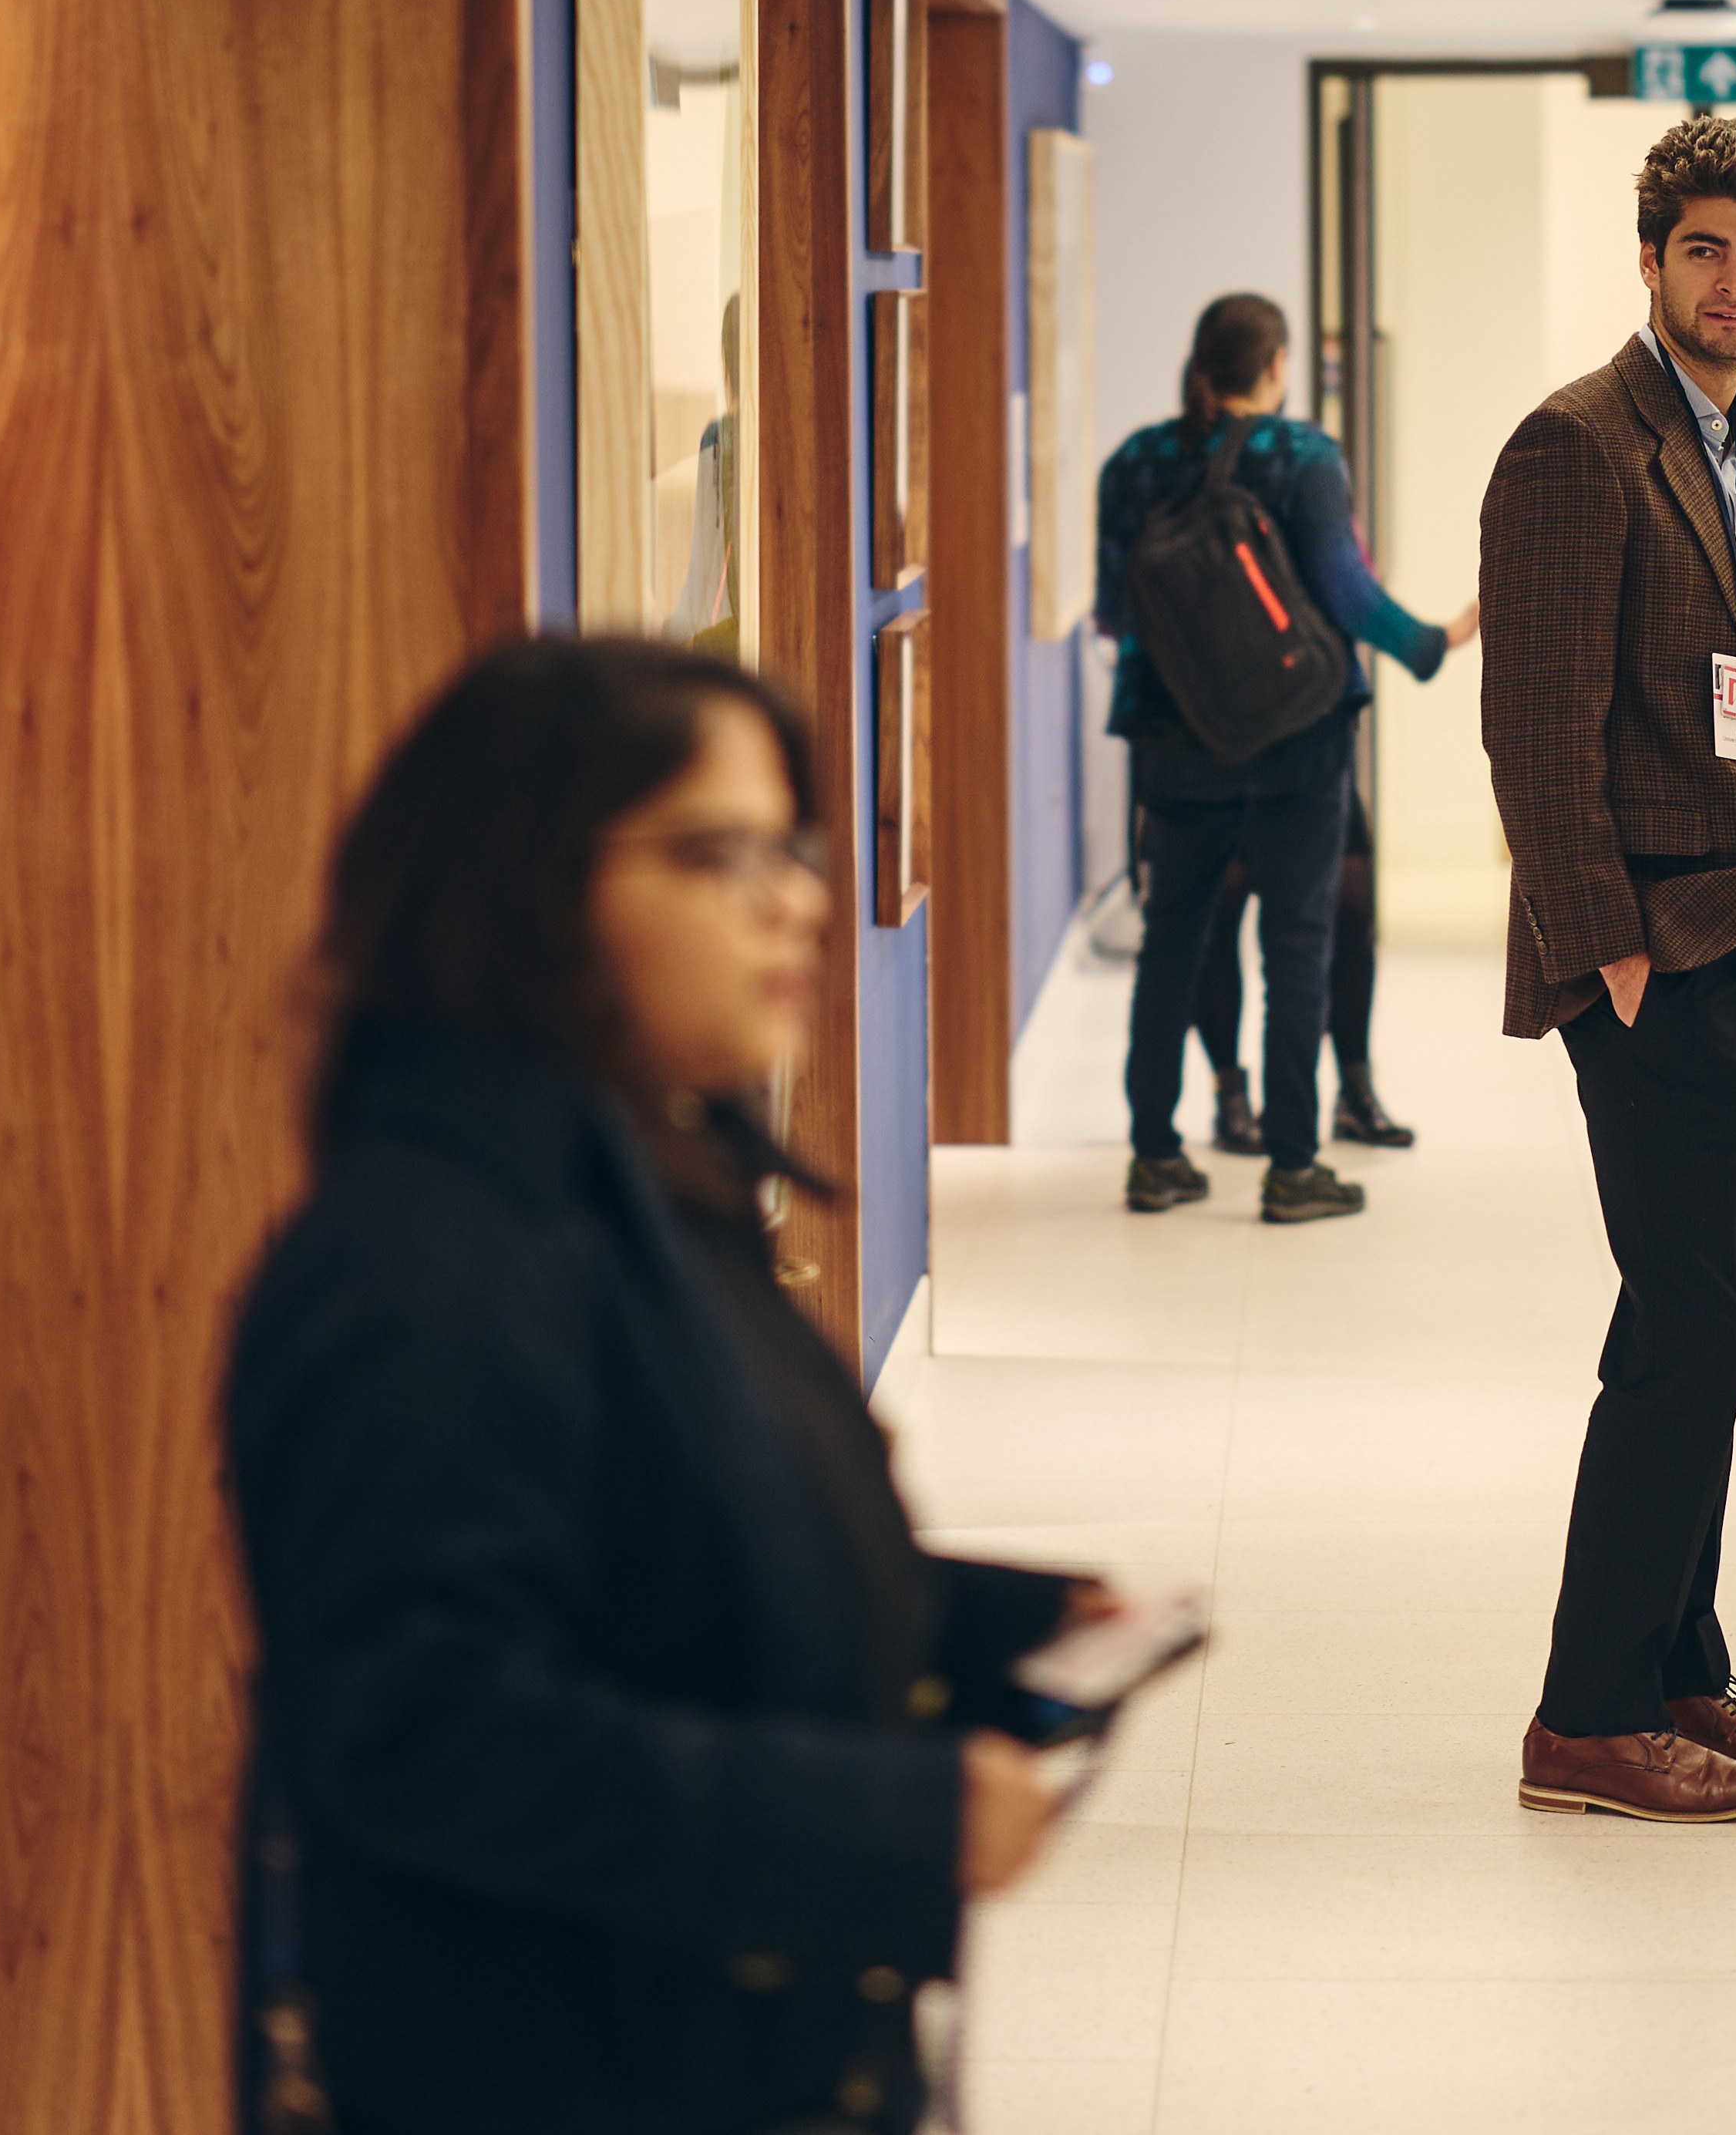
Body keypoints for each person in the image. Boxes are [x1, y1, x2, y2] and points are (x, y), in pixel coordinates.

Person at [227, 636, 1101, 2135]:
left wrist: (977, 1616)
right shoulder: (421, 1264)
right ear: (527, 887)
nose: (798, 898)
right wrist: (880, 1819)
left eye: (792, 846)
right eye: (717, 853)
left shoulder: (642, 1184)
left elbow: (669, 1524)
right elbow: (428, 1725)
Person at [1479, 113, 1736, 1827]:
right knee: (1681, 1320)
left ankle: (1680, 1658)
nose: (1734, 280)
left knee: (1711, 1316)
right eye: (1703, 248)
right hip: (1651, 956)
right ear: (1648, 257)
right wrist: (1605, 952)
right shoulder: (1575, 444)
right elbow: (1532, 733)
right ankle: (1585, 1709)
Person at [1090, 294, 1468, 1222]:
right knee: (1297, 944)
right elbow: (1343, 590)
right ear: (1276, 366)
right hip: (1298, 738)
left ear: (1201, 365)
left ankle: (1153, 1155)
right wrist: (1433, 641)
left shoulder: (1133, 462)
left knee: (1170, 943)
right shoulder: (1304, 456)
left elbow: (1114, 608)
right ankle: (1293, 1167)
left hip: (1171, 739)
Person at [1172, 780, 1415, 1154]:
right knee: (1220, 921)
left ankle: (1355, 1092)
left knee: (1352, 912)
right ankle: (1230, 1097)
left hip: (1311, 755)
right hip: (1221, 758)